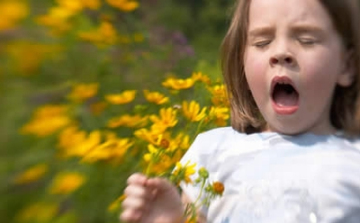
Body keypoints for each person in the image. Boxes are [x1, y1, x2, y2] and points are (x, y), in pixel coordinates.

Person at [120, 0, 360, 222]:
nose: (280, 53)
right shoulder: (214, 151)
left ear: (347, 65)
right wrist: (172, 219)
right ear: (242, 60)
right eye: (262, 42)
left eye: (306, 39)